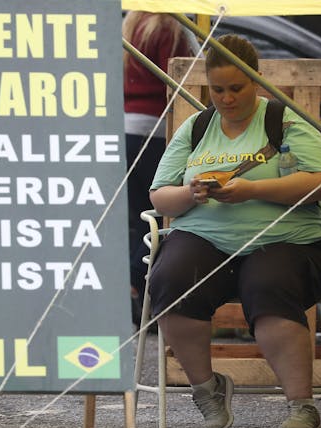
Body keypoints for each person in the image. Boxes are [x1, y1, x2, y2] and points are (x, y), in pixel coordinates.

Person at [147, 34, 321, 428]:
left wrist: (253, 190)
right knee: (169, 279)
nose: (226, 98)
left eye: (236, 88)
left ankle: (301, 406)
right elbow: (160, 196)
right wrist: (191, 193)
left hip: (290, 239)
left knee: (268, 283)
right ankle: (206, 389)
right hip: (206, 236)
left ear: (256, 79)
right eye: (218, 89)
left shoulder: (283, 120)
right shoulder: (198, 126)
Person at [122, 12, 195, 325]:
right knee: (161, 216)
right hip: (155, 130)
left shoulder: (128, 24)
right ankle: (135, 283)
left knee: (140, 219)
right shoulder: (168, 27)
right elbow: (184, 79)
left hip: (124, 128)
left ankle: (131, 287)